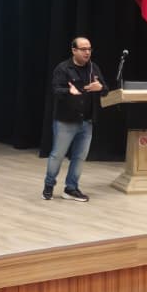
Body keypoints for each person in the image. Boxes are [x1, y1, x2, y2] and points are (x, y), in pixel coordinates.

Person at [43, 37, 104, 202]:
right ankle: (48, 185)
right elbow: (56, 90)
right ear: (74, 50)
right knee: (58, 155)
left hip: (87, 121)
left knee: (79, 157)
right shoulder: (63, 68)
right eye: (83, 49)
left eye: (89, 49)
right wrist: (69, 92)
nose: (87, 52)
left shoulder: (93, 68)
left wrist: (101, 87)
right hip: (66, 121)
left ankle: (71, 188)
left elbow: (104, 88)